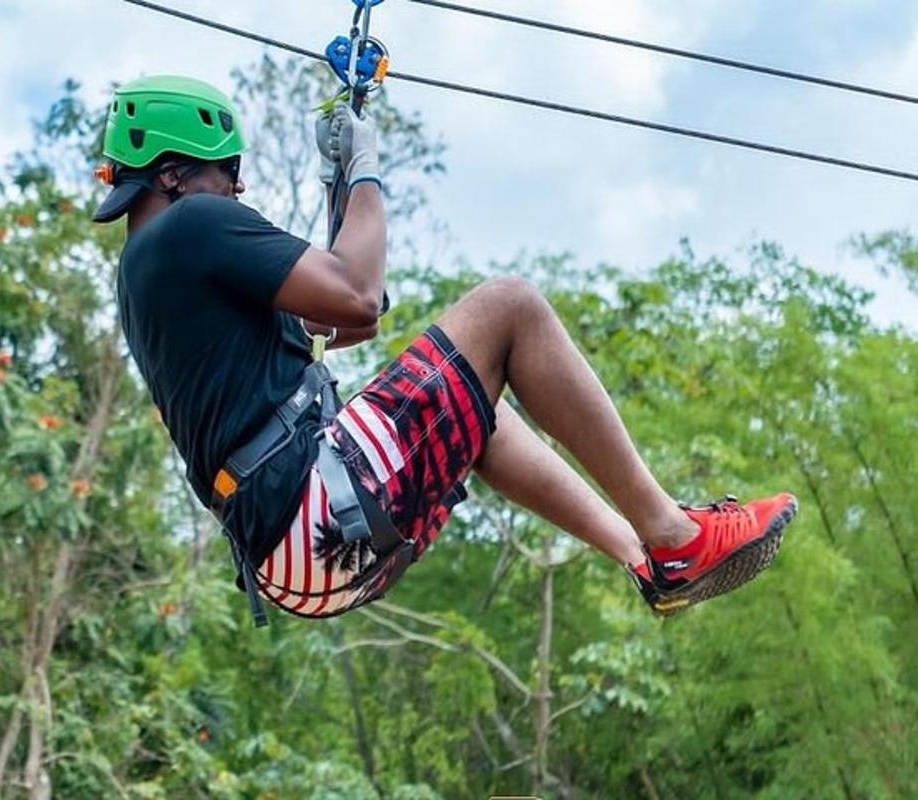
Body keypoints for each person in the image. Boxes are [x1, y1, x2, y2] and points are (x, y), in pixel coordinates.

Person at [94, 75, 797, 622]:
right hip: (313, 504)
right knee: (511, 306)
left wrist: (340, 188)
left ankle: (641, 557)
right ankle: (673, 534)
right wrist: (364, 168)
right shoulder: (193, 226)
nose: (237, 186)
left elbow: (345, 323)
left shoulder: (147, 273)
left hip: (294, 554)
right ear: (171, 174)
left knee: (476, 400)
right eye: (227, 171)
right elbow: (358, 296)